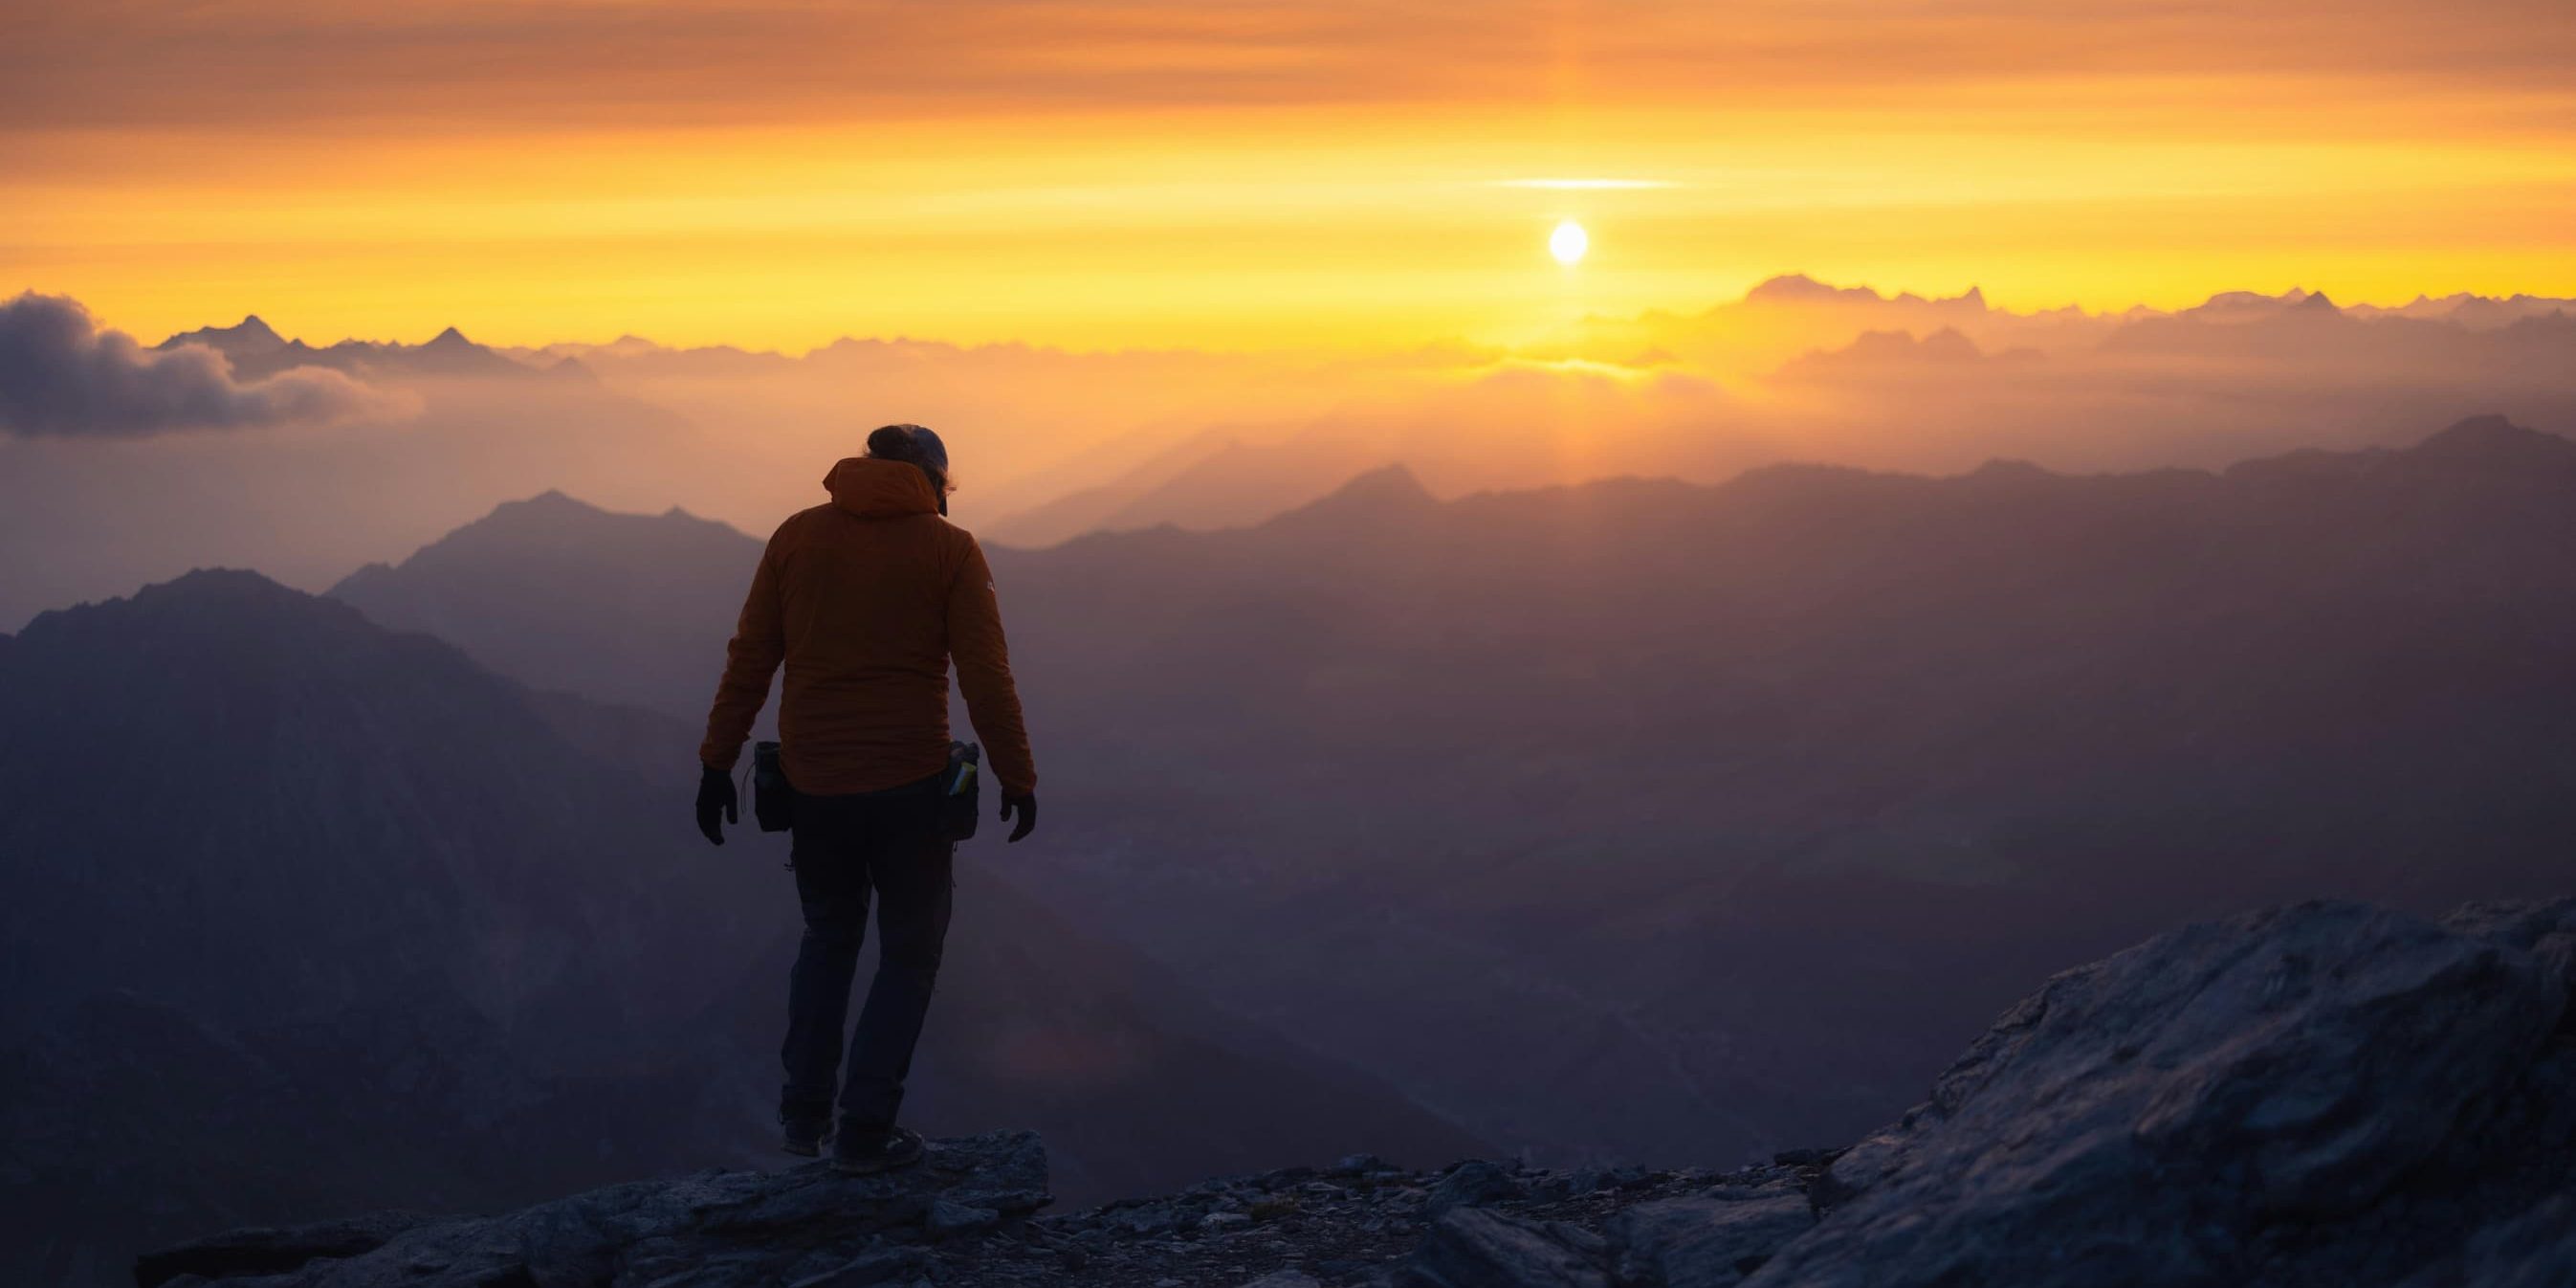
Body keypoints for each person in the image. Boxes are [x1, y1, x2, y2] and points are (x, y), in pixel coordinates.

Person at [695, 423, 1038, 1173]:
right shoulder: (950, 550)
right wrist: (1018, 776)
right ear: (933, 483)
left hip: (814, 784)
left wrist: (717, 762)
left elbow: (750, 658)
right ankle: (863, 1133)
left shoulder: (796, 537)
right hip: (912, 786)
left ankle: (802, 1118)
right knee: (908, 957)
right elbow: (986, 678)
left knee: (828, 938)